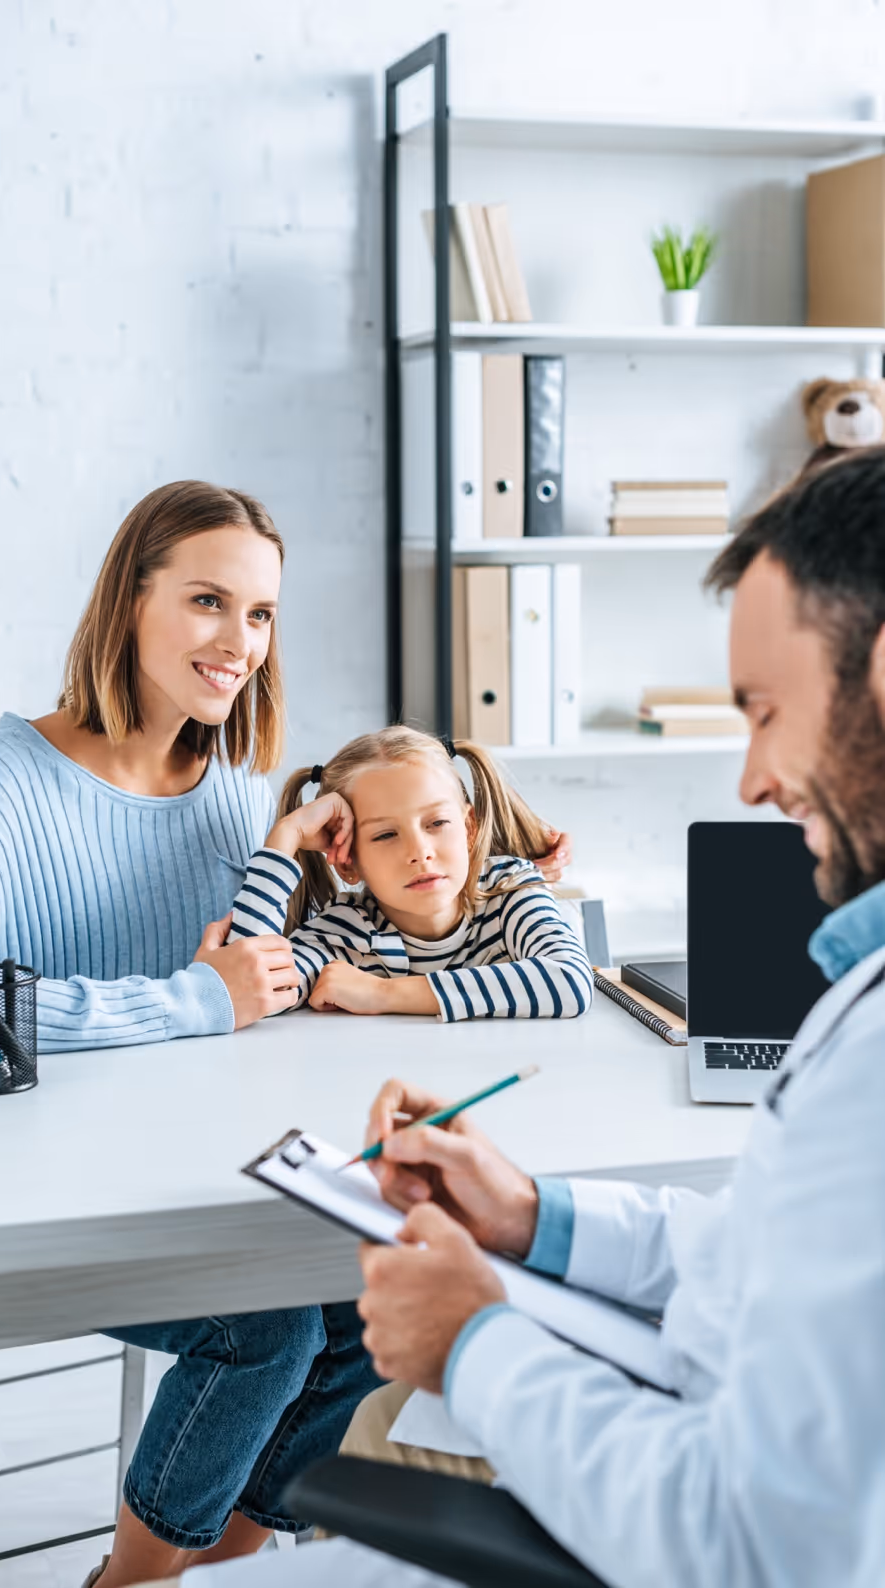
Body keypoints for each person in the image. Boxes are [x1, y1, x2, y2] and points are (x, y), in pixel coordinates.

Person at [168, 446, 885, 1586]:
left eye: (763, 711)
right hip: (653, 1417)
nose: (748, 776)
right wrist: (532, 1217)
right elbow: (755, 1258)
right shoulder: (862, 991)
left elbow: (760, 1547)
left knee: (358, 1399)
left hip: (652, 1510)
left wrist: (479, 1343)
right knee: (362, 1401)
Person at [0, 476, 575, 1586]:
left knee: (370, 1297)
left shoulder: (230, 791)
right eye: (209, 602)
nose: (240, 641)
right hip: (60, 1182)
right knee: (265, 1328)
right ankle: (134, 1580)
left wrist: (501, 878)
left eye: (259, 614)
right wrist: (195, 996)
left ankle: (227, 1560)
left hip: (204, 1170)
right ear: (131, 603)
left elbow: (330, 957)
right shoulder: (6, 777)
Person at [229, 726, 591, 1021]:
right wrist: (285, 837)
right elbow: (247, 988)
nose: (419, 852)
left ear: (468, 829)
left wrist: (383, 993)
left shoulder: (510, 889)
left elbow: (571, 981)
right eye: (386, 834)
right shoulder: (347, 933)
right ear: (348, 862)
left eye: (436, 822)